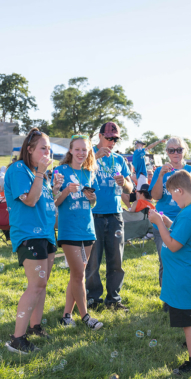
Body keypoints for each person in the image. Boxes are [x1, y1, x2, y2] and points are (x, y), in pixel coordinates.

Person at [4, 128, 62, 354]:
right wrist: (40, 173)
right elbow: (29, 201)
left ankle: (35, 326)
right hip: (30, 235)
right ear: (29, 150)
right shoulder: (19, 169)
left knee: (42, 284)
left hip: (46, 235)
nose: (48, 152)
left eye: (49, 148)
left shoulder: (40, 175)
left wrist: (54, 190)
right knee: (36, 284)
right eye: (43, 148)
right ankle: (18, 338)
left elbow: (45, 206)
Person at [148, 170, 191, 375]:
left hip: (183, 277)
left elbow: (173, 245)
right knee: (188, 319)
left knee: (189, 322)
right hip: (184, 275)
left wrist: (157, 223)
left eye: (172, 195)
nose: (172, 199)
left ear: (179, 190)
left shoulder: (189, 214)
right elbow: (183, 235)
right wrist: (168, 223)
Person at [54, 134, 103, 330]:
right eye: (78, 149)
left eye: (85, 149)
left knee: (77, 274)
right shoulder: (60, 171)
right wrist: (66, 190)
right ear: (71, 151)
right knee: (79, 274)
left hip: (87, 230)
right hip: (69, 230)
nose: (81, 153)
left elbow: (94, 203)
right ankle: (85, 316)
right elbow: (54, 201)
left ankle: (67, 315)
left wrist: (90, 196)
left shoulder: (90, 173)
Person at [149, 137, 191, 294]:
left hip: (186, 222)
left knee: (184, 259)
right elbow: (156, 196)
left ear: (184, 151)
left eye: (179, 149)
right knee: (165, 260)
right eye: (171, 150)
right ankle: (167, 296)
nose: (175, 153)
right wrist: (160, 176)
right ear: (166, 152)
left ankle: (182, 293)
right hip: (162, 220)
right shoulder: (160, 171)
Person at [86, 122, 134, 312]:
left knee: (116, 260)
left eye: (115, 139)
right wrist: (94, 158)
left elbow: (130, 189)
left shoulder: (119, 159)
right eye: (109, 138)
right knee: (93, 261)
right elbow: (78, 173)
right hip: (93, 213)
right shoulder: (88, 154)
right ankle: (93, 298)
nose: (112, 142)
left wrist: (124, 184)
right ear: (99, 136)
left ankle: (113, 299)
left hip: (115, 214)